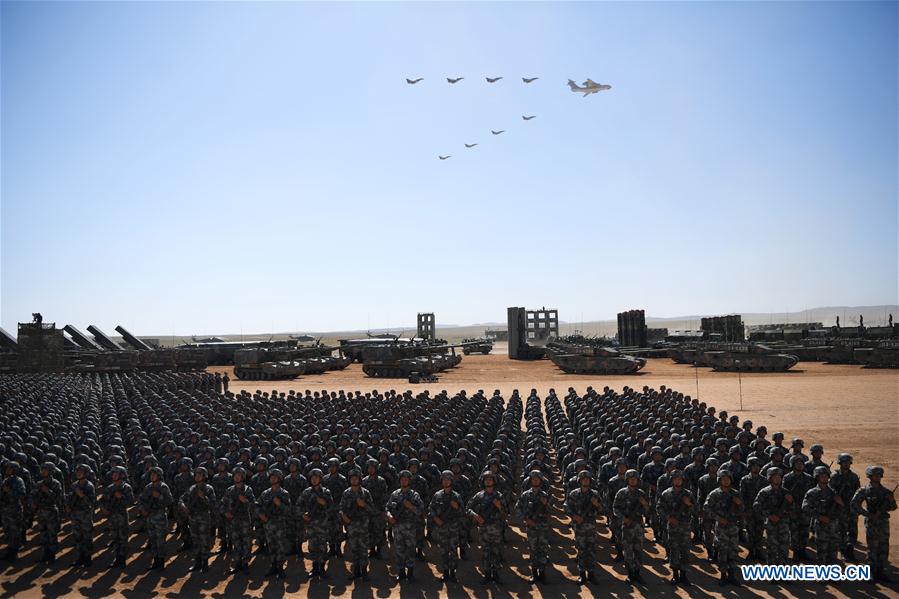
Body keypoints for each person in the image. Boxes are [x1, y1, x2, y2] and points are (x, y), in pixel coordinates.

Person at [851, 466, 897, 582]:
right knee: (872, 548)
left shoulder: (886, 491)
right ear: (870, 476)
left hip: (883, 523)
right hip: (872, 523)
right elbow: (854, 504)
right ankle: (869, 572)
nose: (877, 477)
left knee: (883, 547)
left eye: (879, 475)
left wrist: (891, 500)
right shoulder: (864, 490)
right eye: (875, 475)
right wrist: (868, 514)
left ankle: (880, 571)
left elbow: (893, 507)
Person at [704, 469, 744, 586]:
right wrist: (718, 518)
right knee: (722, 551)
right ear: (720, 480)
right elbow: (707, 508)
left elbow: (742, 510)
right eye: (723, 479)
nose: (726, 481)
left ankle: (732, 575)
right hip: (721, 527)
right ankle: (723, 576)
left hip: (733, 526)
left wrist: (739, 504)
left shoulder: (735, 493)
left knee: (733, 551)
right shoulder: (714, 493)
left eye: (728, 479)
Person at [467, 471, 506, 584]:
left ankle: (496, 575)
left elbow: (506, 513)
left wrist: (500, 507)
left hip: (496, 528)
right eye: (486, 479)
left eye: (490, 479)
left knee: (496, 552)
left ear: (494, 481)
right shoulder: (479, 496)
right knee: (485, 552)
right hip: (483, 529)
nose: (488, 480)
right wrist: (475, 515)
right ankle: (487, 575)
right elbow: (468, 508)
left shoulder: (499, 496)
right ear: (483, 481)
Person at [386, 470, 424, 582]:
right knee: (399, 550)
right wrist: (389, 516)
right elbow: (387, 507)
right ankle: (401, 573)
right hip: (397, 527)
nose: (404, 481)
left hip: (410, 527)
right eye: (402, 479)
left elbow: (420, 511)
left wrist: (411, 506)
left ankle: (410, 574)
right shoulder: (395, 494)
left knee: (410, 550)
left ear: (409, 481)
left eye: (406, 479)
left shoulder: (414, 495)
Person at [657, 470, 695, 585]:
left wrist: (689, 504)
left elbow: (697, 510)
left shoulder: (688, 494)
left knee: (685, 551)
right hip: (673, 526)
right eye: (675, 479)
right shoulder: (666, 493)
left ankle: (684, 575)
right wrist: (669, 518)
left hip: (685, 526)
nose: (678, 481)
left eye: (680, 479)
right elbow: (659, 508)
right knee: (674, 550)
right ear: (672, 480)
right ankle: (675, 575)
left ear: (682, 480)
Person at [613, 469, 649, 584]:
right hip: (627, 525)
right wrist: (624, 518)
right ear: (627, 480)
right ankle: (630, 574)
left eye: (635, 479)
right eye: (631, 479)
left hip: (638, 525)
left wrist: (645, 505)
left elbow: (648, 511)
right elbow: (615, 508)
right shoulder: (621, 493)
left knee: (638, 550)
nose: (633, 481)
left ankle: (637, 573)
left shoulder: (641, 494)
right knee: (628, 551)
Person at [340, 469, 376, 581]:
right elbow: (341, 508)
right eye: (352, 478)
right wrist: (343, 516)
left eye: (356, 478)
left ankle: (364, 572)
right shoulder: (346, 493)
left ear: (360, 479)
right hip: (351, 525)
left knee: (364, 549)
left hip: (363, 526)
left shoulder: (365, 493)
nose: (354, 480)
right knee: (354, 548)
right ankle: (356, 571)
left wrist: (364, 504)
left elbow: (372, 510)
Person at [566, 470, 602, 584]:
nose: (585, 480)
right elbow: (567, 507)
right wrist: (574, 516)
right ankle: (582, 574)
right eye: (583, 479)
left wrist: (597, 504)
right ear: (579, 480)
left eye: (587, 479)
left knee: (591, 550)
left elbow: (603, 509)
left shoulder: (595, 494)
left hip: (591, 526)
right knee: (581, 550)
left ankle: (591, 574)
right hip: (579, 526)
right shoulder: (574, 494)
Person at [516, 470, 551, 583]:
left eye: (537, 478)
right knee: (532, 550)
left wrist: (546, 504)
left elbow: (552, 512)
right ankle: (534, 574)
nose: (535, 480)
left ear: (541, 480)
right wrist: (526, 519)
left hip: (543, 527)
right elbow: (518, 509)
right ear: (530, 481)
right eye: (533, 478)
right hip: (531, 528)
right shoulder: (525, 495)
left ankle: (543, 573)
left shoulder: (545, 495)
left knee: (543, 549)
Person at [179, 466, 216, 573]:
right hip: (193, 517)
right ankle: (197, 561)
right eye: (196, 475)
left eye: (200, 475)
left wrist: (203, 497)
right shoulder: (191, 488)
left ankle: (205, 563)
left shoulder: (209, 488)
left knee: (204, 540)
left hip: (204, 517)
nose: (197, 477)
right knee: (195, 540)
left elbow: (213, 504)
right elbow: (182, 498)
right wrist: (183, 506)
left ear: (204, 476)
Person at [802, 466, 841, 565]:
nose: (825, 478)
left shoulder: (833, 492)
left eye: (826, 476)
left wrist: (840, 503)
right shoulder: (812, 493)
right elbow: (805, 508)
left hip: (833, 526)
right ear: (817, 477)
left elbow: (841, 510)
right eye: (822, 476)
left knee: (833, 551)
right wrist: (819, 517)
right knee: (822, 552)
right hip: (821, 526)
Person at [429, 470, 463, 582]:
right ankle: (445, 573)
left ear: (451, 481)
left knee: (453, 551)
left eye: (448, 479)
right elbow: (431, 509)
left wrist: (457, 507)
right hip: (442, 527)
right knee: (443, 551)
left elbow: (463, 512)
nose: (446, 481)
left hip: (453, 528)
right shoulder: (437, 495)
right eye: (444, 479)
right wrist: (436, 519)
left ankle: (453, 574)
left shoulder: (456, 496)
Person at [753, 467, 792, 565]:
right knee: (772, 550)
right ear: (770, 478)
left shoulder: (785, 492)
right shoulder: (764, 492)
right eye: (775, 477)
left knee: (784, 550)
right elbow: (756, 506)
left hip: (784, 525)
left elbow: (793, 509)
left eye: (779, 477)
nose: (778, 479)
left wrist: (791, 502)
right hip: (771, 526)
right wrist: (769, 515)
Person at [258, 469, 291, 579]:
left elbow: (288, 510)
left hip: (280, 524)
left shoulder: (284, 493)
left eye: (275, 477)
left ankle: (280, 567)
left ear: (279, 479)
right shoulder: (265, 493)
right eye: (271, 477)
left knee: (281, 545)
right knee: (271, 545)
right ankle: (273, 566)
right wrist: (261, 515)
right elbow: (258, 506)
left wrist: (280, 504)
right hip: (268, 524)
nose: (273, 479)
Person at [299, 468, 332, 578]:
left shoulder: (326, 492)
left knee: (322, 546)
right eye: (312, 478)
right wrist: (303, 514)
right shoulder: (307, 492)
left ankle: (322, 568)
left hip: (322, 524)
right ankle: (315, 568)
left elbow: (331, 507)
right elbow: (299, 505)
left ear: (320, 479)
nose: (314, 480)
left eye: (316, 477)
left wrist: (324, 502)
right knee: (312, 546)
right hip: (311, 524)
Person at [222, 467, 255, 575]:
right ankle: (237, 563)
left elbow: (253, 505)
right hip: (233, 520)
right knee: (236, 541)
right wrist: (226, 512)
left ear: (243, 477)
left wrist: (245, 501)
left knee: (246, 542)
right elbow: (223, 504)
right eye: (235, 475)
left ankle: (245, 563)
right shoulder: (229, 490)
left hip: (245, 520)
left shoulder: (248, 490)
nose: (237, 476)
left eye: (239, 475)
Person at [139, 466, 174, 570]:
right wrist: (143, 509)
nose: (152, 476)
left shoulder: (163, 487)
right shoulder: (148, 487)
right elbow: (141, 500)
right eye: (151, 475)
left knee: (160, 541)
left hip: (160, 517)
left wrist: (159, 496)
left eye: (154, 475)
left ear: (159, 476)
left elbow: (170, 501)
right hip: (150, 516)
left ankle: (161, 562)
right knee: (152, 540)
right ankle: (155, 561)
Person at [99, 465, 134, 568]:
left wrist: (121, 496)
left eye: (116, 474)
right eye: (113, 474)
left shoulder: (126, 487)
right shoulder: (110, 488)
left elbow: (131, 502)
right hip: (112, 517)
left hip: (122, 516)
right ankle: (117, 558)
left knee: (123, 538)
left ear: (122, 475)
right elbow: (102, 500)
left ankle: (122, 560)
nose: (113, 475)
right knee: (115, 538)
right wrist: (103, 509)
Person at [829, 452, 860, 561]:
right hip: (839, 508)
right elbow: (830, 490)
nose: (846, 464)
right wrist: (837, 499)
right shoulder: (835, 476)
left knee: (853, 530)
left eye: (848, 462)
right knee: (841, 530)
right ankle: (843, 551)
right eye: (844, 462)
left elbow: (858, 492)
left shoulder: (854, 477)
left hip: (851, 508)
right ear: (840, 463)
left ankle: (850, 550)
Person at [32, 462, 64, 564]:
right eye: (42, 469)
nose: (43, 471)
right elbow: (32, 496)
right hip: (41, 512)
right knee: (43, 534)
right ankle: (45, 554)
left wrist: (48, 491)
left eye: (45, 469)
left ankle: (52, 555)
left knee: (52, 534)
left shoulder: (56, 483)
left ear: (50, 471)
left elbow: (59, 499)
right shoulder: (39, 483)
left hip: (51, 512)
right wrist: (33, 503)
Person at [67, 464, 97, 567]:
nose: (78, 473)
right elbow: (69, 498)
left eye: (81, 472)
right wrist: (68, 506)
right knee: (78, 536)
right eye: (77, 472)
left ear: (86, 474)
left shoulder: (89, 486)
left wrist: (82, 495)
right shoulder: (74, 485)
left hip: (85, 515)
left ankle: (88, 558)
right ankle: (80, 557)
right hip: (75, 514)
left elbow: (92, 502)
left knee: (87, 536)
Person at [0, 462, 26, 562]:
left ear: (14, 469)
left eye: (9, 468)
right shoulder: (5, 480)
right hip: (5, 510)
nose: (7, 469)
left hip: (14, 510)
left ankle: (14, 553)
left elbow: (22, 494)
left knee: (15, 532)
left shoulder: (19, 481)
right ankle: (9, 550)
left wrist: (9, 491)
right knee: (7, 531)